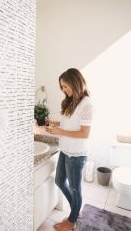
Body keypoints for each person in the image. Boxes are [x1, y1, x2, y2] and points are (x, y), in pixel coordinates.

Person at [45, 68, 93, 231]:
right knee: (59, 180)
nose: (64, 90)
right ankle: (76, 210)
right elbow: (68, 124)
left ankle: (71, 221)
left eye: (65, 86)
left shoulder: (86, 104)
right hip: (65, 150)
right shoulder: (70, 102)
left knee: (75, 188)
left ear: (75, 82)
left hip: (76, 155)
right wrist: (55, 124)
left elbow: (84, 133)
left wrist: (60, 132)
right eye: (62, 87)